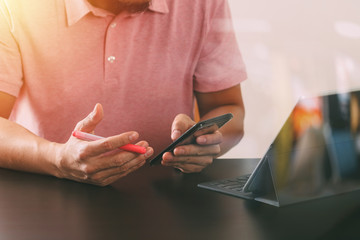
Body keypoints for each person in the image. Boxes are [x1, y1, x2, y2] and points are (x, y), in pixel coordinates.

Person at [0, 0, 247, 186]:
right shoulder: (17, 6)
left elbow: (230, 110)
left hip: (164, 196)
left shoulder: (202, 4)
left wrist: (204, 143)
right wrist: (58, 159)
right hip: (43, 192)